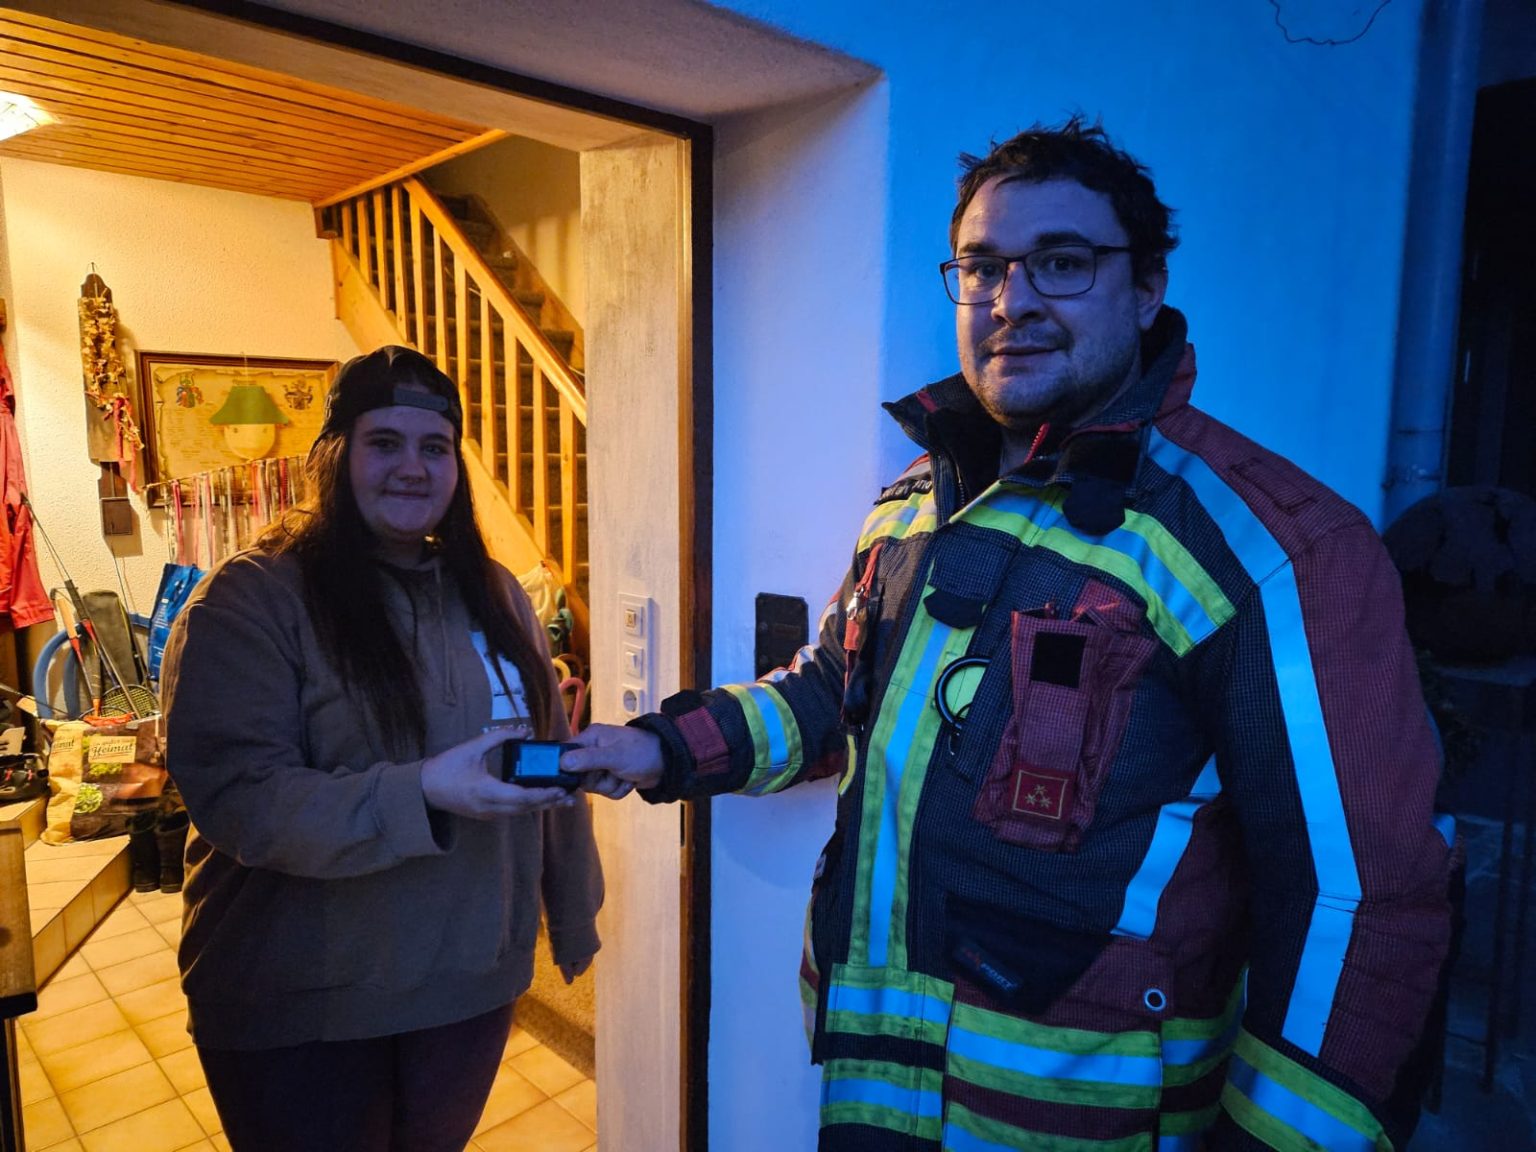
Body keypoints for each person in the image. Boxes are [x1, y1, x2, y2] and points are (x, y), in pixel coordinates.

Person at [567, 118, 1453, 1151]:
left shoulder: (1269, 550)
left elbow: (1365, 901)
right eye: (983, 268)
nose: (1013, 299)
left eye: (1063, 264)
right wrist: (655, 748)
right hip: (877, 1095)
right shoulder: (910, 504)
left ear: (1148, 287)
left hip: (1082, 1128)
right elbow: (825, 694)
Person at [161, 345, 602, 1151]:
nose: (413, 468)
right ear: (335, 455)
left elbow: (549, 757)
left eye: (435, 448)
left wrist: (572, 914)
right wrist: (426, 789)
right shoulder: (253, 599)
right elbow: (241, 800)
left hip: (467, 987)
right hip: (304, 1003)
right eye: (384, 443)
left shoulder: (499, 594)